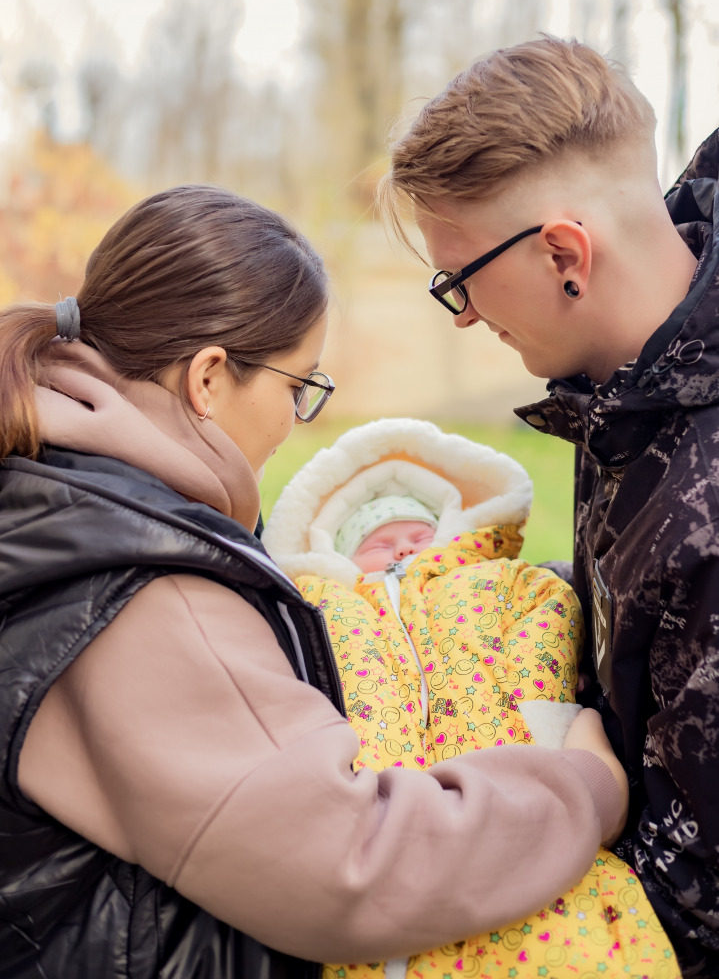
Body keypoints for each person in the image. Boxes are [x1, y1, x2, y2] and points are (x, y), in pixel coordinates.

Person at [0, 184, 627, 979]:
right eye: (299, 387)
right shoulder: (146, 591)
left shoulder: (53, 493)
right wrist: (582, 787)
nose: (296, 417)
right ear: (208, 379)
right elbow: (348, 862)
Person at [379, 35, 719, 976]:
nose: (461, 316)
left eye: (460, 280)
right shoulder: (633, 383)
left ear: (564, 252)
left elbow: (696, 904)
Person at [263, 417, 677, 978]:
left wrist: (543, 713)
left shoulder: (494, 579)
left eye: (417, 536)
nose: (401, 552)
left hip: (503, 749)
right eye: (378, 544)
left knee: (563, 930)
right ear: (337, 555)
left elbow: (550, 612)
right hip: (383, 789)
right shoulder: (329, 608)